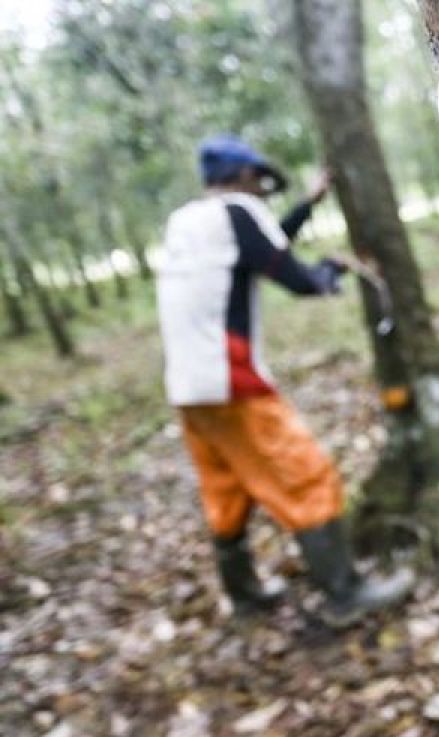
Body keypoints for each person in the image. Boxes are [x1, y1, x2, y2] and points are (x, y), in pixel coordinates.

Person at [156, 134, 409, 626]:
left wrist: (309, 204)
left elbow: (263, 252)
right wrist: (327, 275)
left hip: (187, 385)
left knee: (225, 486)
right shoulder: (238, 211)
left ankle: (245, 593)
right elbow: (294, 277)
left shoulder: (189, 220)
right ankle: (345, 593)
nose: (265, 192)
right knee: (304, 474)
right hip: (229, 379)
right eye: (262, 182)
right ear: (244, 176)